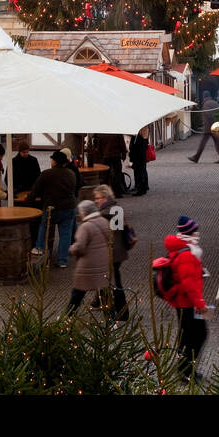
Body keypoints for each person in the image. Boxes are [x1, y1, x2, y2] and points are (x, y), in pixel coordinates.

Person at [155, 233, 209, 381]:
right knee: (197, 336)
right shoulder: (185, 256)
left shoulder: (175, 254)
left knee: (186, 337)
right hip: (189, 304)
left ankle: (184, 369)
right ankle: (186, 371)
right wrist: (200, 304)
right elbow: (189, 284)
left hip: (181, 303)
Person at [30, 149, 78, 268]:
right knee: (65, 234)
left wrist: (29, 199)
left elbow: (35, 190)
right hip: (69, 207)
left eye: (52, 159)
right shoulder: (71, 174)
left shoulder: (47, 173)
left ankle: (40, 248)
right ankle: (62, 260)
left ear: (55, 162)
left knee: (44, 226)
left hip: (52, 208)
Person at [67, 199, 113, 313]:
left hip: (88, 265)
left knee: (78, 292)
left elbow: (80, 246)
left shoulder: (85, 227)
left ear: (84, 212)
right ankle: (112, 320)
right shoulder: (104, 221)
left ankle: (67, 317)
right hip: (103, 262)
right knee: (104, 293)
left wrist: (71, 249)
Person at [94, 184, 130, 319]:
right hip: (118, 251)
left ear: (106, 197)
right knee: (110, 280)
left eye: (98, 198)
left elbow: (108, 235)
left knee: (115, 283)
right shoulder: (117, 208)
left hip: (111, 253)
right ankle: (100, 301)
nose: (96, 200)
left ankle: (122, 312)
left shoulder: (105, 213)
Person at [188, 91, 219, 164]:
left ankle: (196, 157)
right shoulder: (215, 103)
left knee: (203, 143)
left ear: (204, 97)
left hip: (209, 127)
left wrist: (211, 125)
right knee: (217, 142)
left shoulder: (206, 104)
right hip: (215, 127)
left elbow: (209, 115)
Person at [97, 133, 127, 198]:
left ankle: (105, 194)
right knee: (117, 175)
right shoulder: (117, 132)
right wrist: (124, 154)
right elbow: (122, 144)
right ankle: (117, 193)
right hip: (116, 156)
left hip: (106, 156)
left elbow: (99, 146)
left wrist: (101, 154)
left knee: (105, 176)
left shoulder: (102, 133)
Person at [129, 126, 151, 196]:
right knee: (142, 172)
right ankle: (143, 187)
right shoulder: (143, 137)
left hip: (138, 158)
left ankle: (140, 189)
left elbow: (133, 148)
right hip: (142, 158)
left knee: (139, 173)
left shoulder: (137, 138)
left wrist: (131, 156)